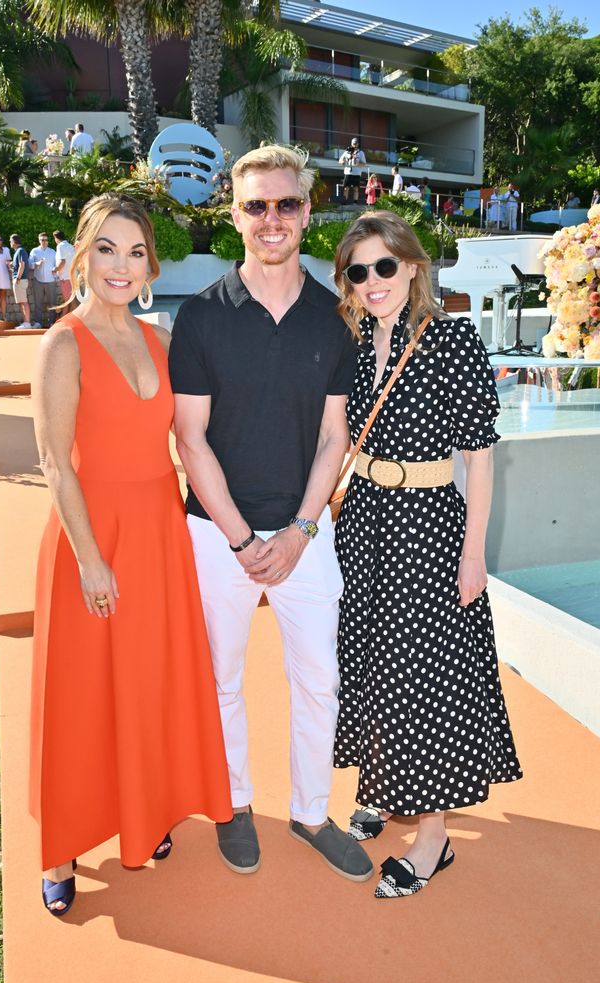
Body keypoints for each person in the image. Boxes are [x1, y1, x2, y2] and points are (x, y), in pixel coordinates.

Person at [169, 144, 373, 883]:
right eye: (257, 205)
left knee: (317, 678)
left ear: (308, 212)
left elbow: (333, 436)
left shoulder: (334, 316)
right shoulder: (199, 316)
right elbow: (189, 438)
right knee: (219, 678)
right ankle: (234, 803)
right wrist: (239, 539)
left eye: (286, 203)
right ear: (234, 215)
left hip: (304, 533)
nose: (272, 218)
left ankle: (312, 813)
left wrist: (297, 531)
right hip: (214, 532)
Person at [30, 194, 232, 915]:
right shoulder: (61, 343)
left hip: (156, 534)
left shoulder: (158, 340)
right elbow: (55, 461)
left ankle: (143, 815)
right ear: (82, 254)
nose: (121, 265)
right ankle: (59, 849)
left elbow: (191, 439)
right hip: (93, 537)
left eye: (135, 252)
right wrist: (90, 559)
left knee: (145, 682)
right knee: (82, 695)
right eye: (106, 249)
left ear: (150, 265)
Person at [332, 211, 523, 899]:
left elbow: (479, 461)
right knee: (373, 659)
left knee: (425, 676)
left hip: (428, 526)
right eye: (359, 270)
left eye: (386, 266)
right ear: (347, 282)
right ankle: (381, 789)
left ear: (412, 267)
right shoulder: (350, 342)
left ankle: (433, 837)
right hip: (365, 523)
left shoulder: (451, 341)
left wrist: (473, 556)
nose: (374, 281)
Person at [28, 232, 58, 329]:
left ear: (48, 241)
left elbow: (56, 265)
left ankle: (52, 322)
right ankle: (38, 323)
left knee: (52, 303)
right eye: (42, 240)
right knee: (38, 303)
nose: (44, 242)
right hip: (38, 280)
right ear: (39, 240)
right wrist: (37, 264)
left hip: (51, 280)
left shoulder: (52, 252)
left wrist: (56, 277)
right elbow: (29, 264)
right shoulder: (34, 251)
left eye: (45, 240)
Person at [9, 234, 36, 329]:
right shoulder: (18, 251)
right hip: (19, 279)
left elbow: (22, 265)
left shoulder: (20, 250)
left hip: (20, 280)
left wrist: (18, 278)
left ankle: (27, 323)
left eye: (10, 241)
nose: (10, 243)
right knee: (21, 302)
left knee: (23, 302)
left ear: (14, 241)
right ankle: (25, 322)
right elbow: (19, 266)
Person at [51, 229, 76, 314]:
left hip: (65, 278)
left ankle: (65, 319)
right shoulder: (70, 246)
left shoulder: (60, 246)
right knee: (71, 299)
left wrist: (55, 269)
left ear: (56, 238)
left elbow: (62, 262)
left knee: (68, 300)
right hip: (72, 276)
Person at [339, 137, 366, 203]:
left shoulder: (361, 153)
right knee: (346, 188)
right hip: (348, 172)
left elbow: (364, 164)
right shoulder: (346, 151)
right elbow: (340, 160)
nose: (354, 145)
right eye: (353, 144)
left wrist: (357, 161)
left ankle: (355, 202)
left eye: (356, 143)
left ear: (358, 144)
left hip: (357, 173)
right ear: (351, 144)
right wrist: (342, 162)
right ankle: (344, 202)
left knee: (356, 189)